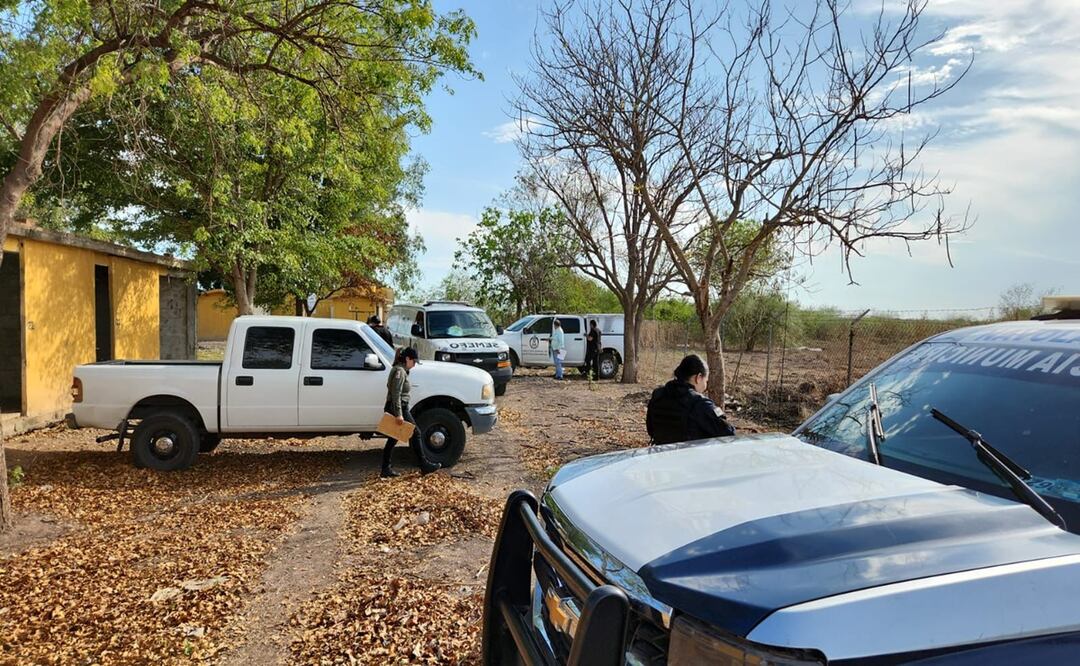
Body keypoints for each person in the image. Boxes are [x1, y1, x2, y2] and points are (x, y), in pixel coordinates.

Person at [646, 354, 736, 445]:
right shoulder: (700, 404)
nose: (705, 386)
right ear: (698, 377)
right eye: (706, 381)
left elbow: (650, 429)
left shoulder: (658, 395)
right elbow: (728, 433)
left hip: (661, 452)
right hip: (691, 453)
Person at [381, 347, 442, 477]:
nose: (414, 365)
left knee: (393, 438)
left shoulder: (401, 370)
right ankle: (424, 465)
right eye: (413, 361)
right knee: (416, 433)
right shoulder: (400, 371)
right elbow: (396, 394)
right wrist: (399, 414)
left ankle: (385, 469)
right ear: (407, 358)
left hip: (398, 407)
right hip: (398, 408)